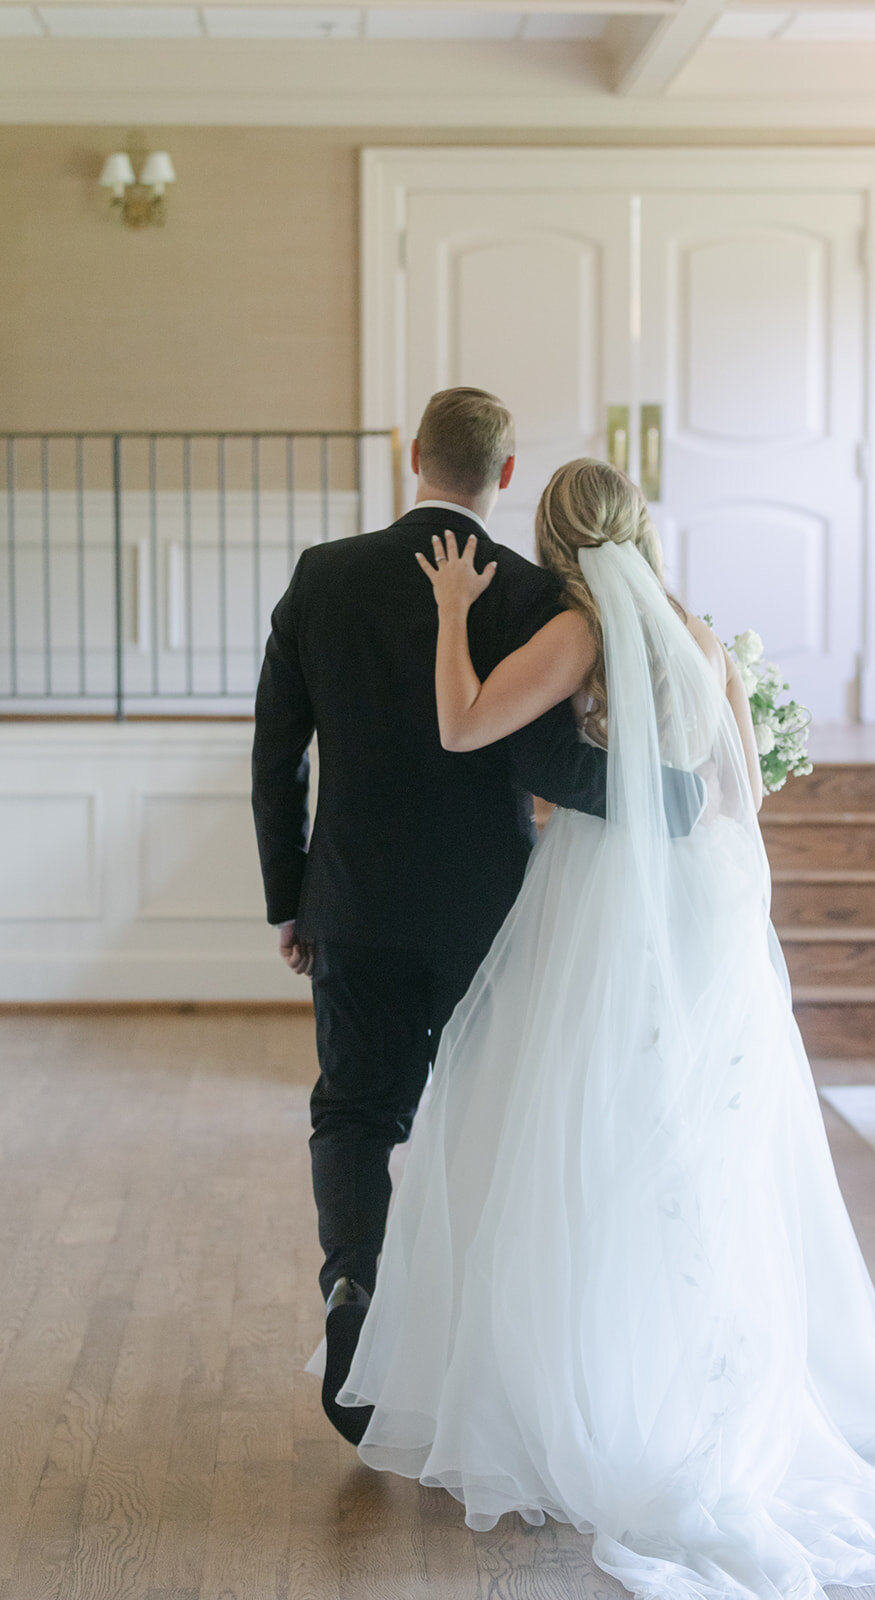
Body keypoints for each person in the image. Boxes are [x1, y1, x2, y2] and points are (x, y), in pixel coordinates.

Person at [337, 458, 875, 1600]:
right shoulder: (698, 635)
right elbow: (744, 794)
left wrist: (457, 613)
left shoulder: (578, 628)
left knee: (580, 1125)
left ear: (557, 540)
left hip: (612, 894)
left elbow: (463, 726)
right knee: (695, 1138)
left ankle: (593, 1394)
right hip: (709, 900)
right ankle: (695, 1380)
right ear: (640, 529)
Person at [251, 389, 609, 1444]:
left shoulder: (324, 576)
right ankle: (482, 1341)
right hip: (488, 911)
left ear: (413, 457)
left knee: (355, 1113)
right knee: (488, 1118)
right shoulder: (535, 593)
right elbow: (543, 756)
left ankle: (355, 1278)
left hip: (352, 900)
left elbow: (279, 757)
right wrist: (669, 803)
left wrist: (289, 897)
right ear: (505, 476)